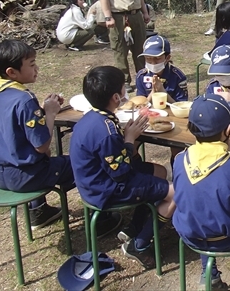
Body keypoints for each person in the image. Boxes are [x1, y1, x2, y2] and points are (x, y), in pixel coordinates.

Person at [70, 66, 176, 269]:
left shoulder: (94, 117)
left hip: (96, 180)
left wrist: (129, 141)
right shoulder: (106, 131)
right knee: (177, 193)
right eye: (123, 89)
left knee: (160, 172)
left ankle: (133, 228)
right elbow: (120, 172)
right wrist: (129, 141)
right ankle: (141, 243)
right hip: (107, 189)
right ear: (116, 97)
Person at [173, 93, 230, 291]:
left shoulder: (180, 159)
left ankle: (210, 273)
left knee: (201, 210)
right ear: (228, 130)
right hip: (228, 238)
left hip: (189, 233)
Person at [0, 40, 74, 229]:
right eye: (31, 64)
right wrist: (50, 113)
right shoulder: (25, 99)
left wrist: (41, 111)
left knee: (42, 161)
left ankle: (39, 210)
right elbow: (41, 146)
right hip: (24, 177)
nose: (36, 69)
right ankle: (104, 218)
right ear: (11, 72)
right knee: (81, 162)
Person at [136, 35, 188, 103]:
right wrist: (153, 92)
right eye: (148, 58)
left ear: (167, 58)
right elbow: (140, 105)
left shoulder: (178, 77)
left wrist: (162, 92)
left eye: (157, 58)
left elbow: (181, 106)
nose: (153, 63)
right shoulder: (141, 76)